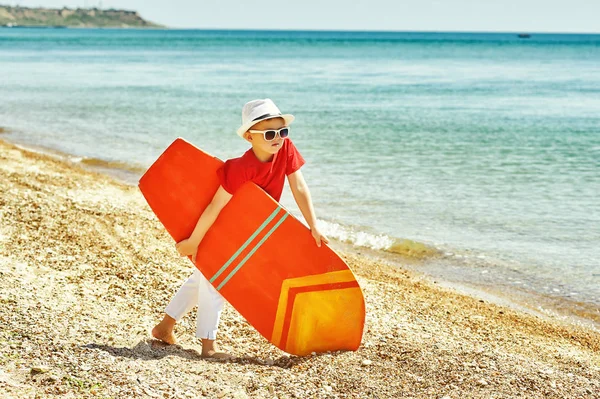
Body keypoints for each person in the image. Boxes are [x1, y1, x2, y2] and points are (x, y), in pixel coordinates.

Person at [151, 98, 329, 358]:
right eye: (269, 133)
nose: (278, 138)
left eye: (283, 131)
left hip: (249, 229)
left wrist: (313, 225)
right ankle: (208, 347)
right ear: (249, 137)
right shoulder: (240, 168)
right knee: (218, 282)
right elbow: (214, 206)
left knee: (204, 277)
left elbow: (299, 187)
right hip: (222, 228)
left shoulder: (286, 149)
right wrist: (194, 241)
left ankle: (164, 328)